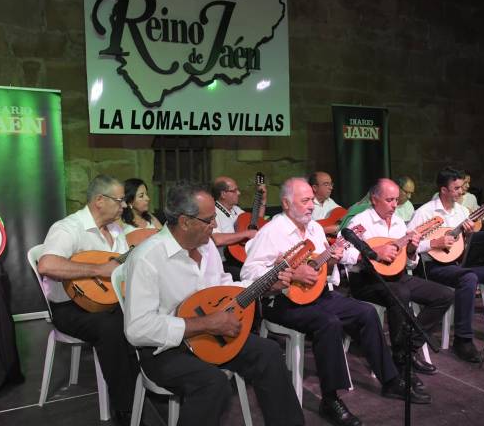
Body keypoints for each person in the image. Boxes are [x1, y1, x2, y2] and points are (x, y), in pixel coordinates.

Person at [123, 183, 303, 426]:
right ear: (185, 222)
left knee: (269, 353)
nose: (215, 226)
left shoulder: (206, 246)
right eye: (209, 220)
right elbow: (137, 330)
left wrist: (267, 285)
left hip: (213, 338)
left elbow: (225, 290)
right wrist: (204, 323)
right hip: (164, 350)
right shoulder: (146, 258)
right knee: (213, 384)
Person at [242, 178, 409, 426]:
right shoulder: (271, 232)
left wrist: (330, 261)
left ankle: (390, 380)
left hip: (317, 295)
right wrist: (289, 274)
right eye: (305, 200)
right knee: (328, 322)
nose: (311, 206)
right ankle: (330, 399)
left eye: (312, 200)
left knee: (365, 312)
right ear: (287, 204)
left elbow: (322, 268)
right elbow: (248, 275)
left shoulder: (315, 229)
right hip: (280, 301)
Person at [37, 174, 139, 425]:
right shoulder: (68, 228)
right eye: (120, 200)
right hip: (69, 307)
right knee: (111, 328)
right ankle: (126, 409)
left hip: (109, 301)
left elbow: (138, 246)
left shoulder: (118, 229)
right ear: (99, 201)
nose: (125, 206)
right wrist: (97, 270)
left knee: (141, 314)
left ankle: (146, 387)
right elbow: (47, 264)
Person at [341, 179, 453, 401]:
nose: (394, 204)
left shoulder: (400, 223)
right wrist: (370, 254)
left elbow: (408, 263)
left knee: (445, 295)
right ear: (374, 199)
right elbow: (341, 251)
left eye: (396, 200)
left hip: (396, 276)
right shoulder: (361, 222)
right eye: (389, 200)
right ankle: (401, 365)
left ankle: (407, 348)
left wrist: (411, 250)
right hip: (366, 280)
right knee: (401, 294)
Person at [407, 167, 484, 363]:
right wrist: (433, 243)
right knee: (468, 278)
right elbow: (408, 245)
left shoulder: (463, 211)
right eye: (457, 188)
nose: (462, 191)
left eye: (462, 187)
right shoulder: (424, 212)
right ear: (443, 190)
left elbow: (464, 247)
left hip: (459, 263)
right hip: (433, 268)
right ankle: (463, 339)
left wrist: (469, 236)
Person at [211, 176, 266, 280]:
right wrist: (246, 234)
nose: (239, 193)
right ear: (223, 194)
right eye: (235, 190)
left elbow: (256, 222)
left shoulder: (236, 210)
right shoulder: (213, 211)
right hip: (224, 263)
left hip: (240, 258)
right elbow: (216, 239)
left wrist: (262, 201)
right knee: (252, 277)